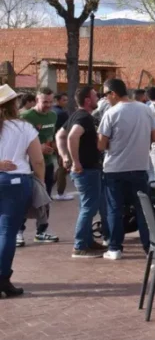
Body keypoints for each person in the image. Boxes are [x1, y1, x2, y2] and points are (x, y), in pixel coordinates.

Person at [98, 78, 155, 260]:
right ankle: (148, 245)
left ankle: (115, 247)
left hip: (114, 168)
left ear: (113, 93)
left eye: (105, 94)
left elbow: (101, 144)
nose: (105, 98)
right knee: (142, 208)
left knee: (114, 209)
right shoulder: (146, 109)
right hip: (140, 166)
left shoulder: (111, 113)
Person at [0, 85, 45, 296]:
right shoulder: (24, 128)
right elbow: (38, 160)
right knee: (8, 231)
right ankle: (2, 279)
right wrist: (41, 182)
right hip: (16, 182)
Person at [55, 86, 106, 258]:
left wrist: (64, 156)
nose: (97, 97)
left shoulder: (76, 115)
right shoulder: (84, 117)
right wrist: (75, 161)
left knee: (87, 207)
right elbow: (71, 136)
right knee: (88, 207)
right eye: (94, 95)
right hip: (87, 169)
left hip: (85, 169)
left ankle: (88, 240)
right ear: (87, 100)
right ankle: (79, 246)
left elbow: (60, 135)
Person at [19, 87, 59, 244]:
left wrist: (57, 152)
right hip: (27, 164)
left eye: (51, 101)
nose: (48, 105)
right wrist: (38, 148)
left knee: (44, 197)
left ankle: (42, 230)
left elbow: (52, 135)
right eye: (45, 102)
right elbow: (17, 141)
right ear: (36, 100)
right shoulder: (25, 116)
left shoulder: (53, 115)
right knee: (23, 198)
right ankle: (18, 231)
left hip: (47, 163)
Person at [51, 92, 71, 200]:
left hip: (52, 142)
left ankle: (49, 186)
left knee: (60, 167)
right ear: (58, 100)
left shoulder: (51, 112)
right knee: (63, 167)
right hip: (60, 143)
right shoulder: (62, 113)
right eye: (64, 100)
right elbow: (67, 129)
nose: (66, 102)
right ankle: (60, 192)